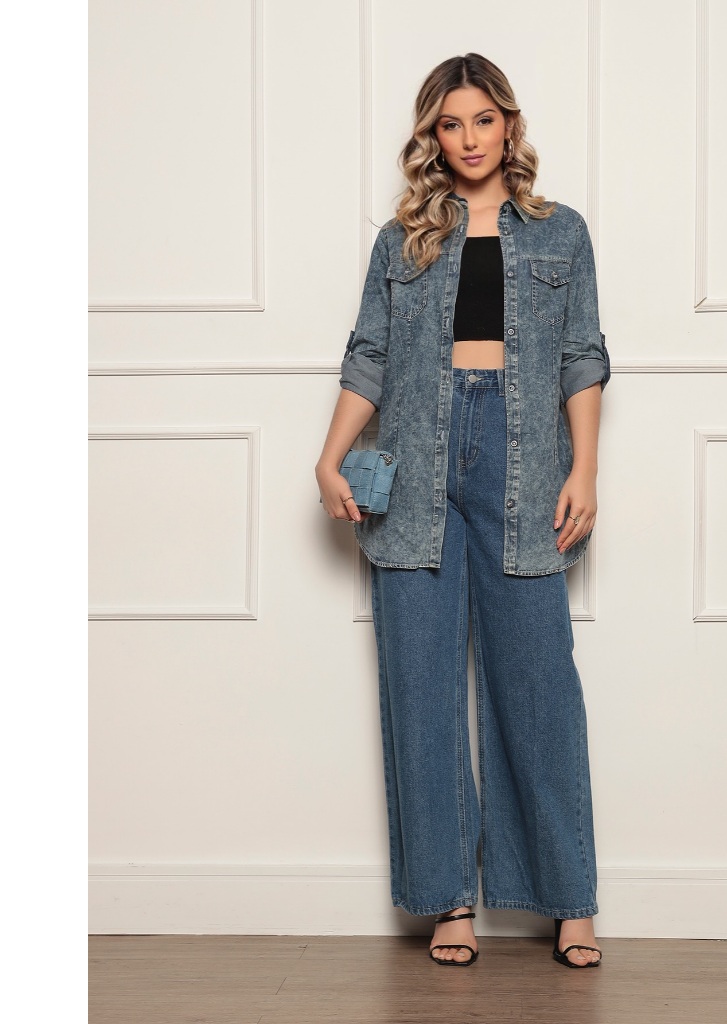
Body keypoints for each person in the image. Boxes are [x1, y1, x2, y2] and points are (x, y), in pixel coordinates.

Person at [315, 53, 609, 969]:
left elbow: (582, 356)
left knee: (540, 690)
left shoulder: (561, 233)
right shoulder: (402, 240)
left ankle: (568, 899)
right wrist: (329, 454)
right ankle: (448, 901)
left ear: (509, 127)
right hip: (414, 464)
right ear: (432, 137)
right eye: (452, 124)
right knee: (423, 689)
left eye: (484, 120)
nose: (470, 139)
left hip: (526, 467)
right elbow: (369, 354)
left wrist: (585, 468)